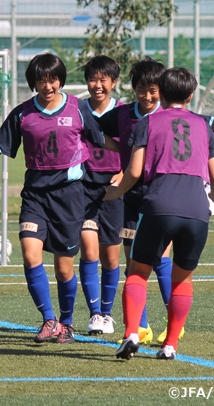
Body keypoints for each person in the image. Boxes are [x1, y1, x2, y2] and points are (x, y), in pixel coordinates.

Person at [0, 53, 116, 345]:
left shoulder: (78, 107)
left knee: (63, 268)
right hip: (35, 196)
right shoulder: (22, 113)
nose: (47, 85)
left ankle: (67, 323)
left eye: (52, 79)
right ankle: (49, 320)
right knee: (30, 254)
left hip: (70, 196)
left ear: (60, 79)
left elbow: (102, 141)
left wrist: (138, 154)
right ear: (33, 83)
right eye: (40, 80)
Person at [96, 57, 214, 344]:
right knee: (180, 276)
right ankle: (168, 341)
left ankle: (133, 332)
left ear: (161, 91)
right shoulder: (199, 124)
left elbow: (135, 170)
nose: (148, 96)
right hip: (195, 208)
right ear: (190, 96)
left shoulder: (149, 123)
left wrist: (117, 191)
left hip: (157, 203)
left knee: (139, 270)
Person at [78, 55, 123, 335]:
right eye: (93, 79)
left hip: (114, 190)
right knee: (90, 251)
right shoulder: (78, 110)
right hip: (83, 189)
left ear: (113, 82)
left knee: (111, 259)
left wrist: (125, 174)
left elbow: (136, 148)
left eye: (103, 79)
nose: (97, 85)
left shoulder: (124, 113)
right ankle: (95, 314)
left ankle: (107, 314)